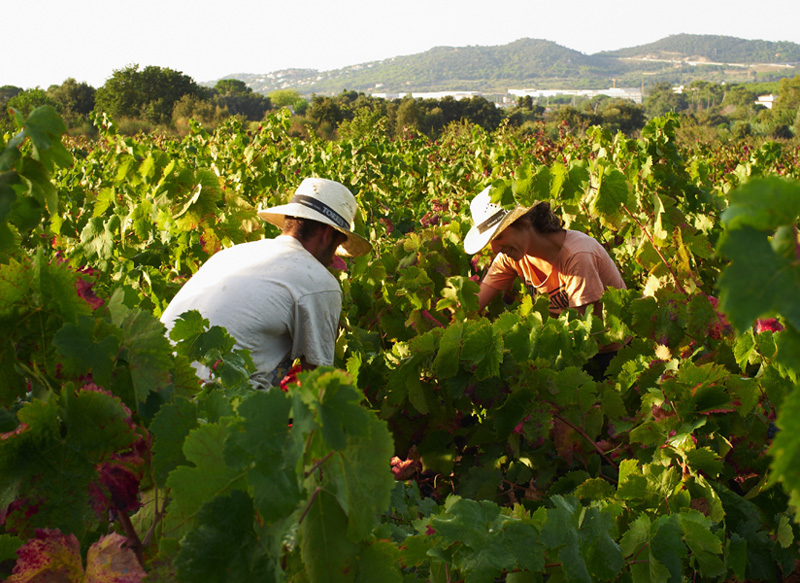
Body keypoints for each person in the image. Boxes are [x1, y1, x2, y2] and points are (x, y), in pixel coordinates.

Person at [160, 177, 371, 389]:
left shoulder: (232, 254)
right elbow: (316, 385)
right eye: (337, 245)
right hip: (214, 403)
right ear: (327, 235)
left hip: (159, 389)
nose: (334, 259)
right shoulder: (318, 281)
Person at [463, 186, 626, 378]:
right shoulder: (513, 257)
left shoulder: (577, 256)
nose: (495, 248)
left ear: (523, 222)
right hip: (562, 346)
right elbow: (475, 304)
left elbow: (580, 335)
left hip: (608, 354)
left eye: (498, 236)